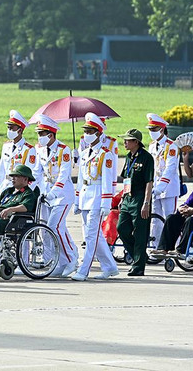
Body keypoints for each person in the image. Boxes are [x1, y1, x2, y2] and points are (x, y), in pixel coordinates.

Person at [69, 113, 118, 281]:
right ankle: (110, 267)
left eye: (90, 131)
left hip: (97, 197)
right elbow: (81, 179)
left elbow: (106, 180)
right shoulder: (83, 154)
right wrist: (77, 200)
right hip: (85, 197)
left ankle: (84, 270)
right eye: (86, 131)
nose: (87, 134)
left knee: (90, 235)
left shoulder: (106, 154)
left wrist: (106, 203)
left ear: (98, 133)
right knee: (94, 235)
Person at [34, 115, 78, 277]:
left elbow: (63, 174)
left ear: (51, 135)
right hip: (47, 194)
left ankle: (71, 259)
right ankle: (60, 262)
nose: (39, 137)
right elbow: (37, 172)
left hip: (62, 195)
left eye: (42, 133)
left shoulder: (63, 150)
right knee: (55, 228)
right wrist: (33, 189)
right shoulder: (39, 149)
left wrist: (54, 193)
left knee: (55, 227)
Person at [115, 129, 154, 276]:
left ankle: (138, 266)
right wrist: (123, 197)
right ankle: (140, 257)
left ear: (136, 142)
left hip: (140, 198)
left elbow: (149, 182)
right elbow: (126, 179)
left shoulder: (146, 158)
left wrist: (146, 203)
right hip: (128, 198)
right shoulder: (128, 157)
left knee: (140, 233)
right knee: (121, 228)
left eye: (128, 140)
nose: (124, 142)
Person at [146, 113, 180, 248]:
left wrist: (161, 186)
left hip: (169, 188)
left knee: (169, 219)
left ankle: (173, 247)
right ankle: (156, 247)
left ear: (162, 129)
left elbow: (170, 169)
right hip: (155, 188)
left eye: (154, 129)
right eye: (150, 129)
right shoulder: (151, 145)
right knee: (155, 220)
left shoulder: (172, 146)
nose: (151, 132)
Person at [0, 110, 38, 199]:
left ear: (20, 130)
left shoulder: (28, 149)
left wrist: (24, 193)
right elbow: (1, 171)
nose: (9, 130)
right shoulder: (6, 146)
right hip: (4, 186)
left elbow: (30, 173)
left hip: (18, 189)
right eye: (8, 128)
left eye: (12, 128)